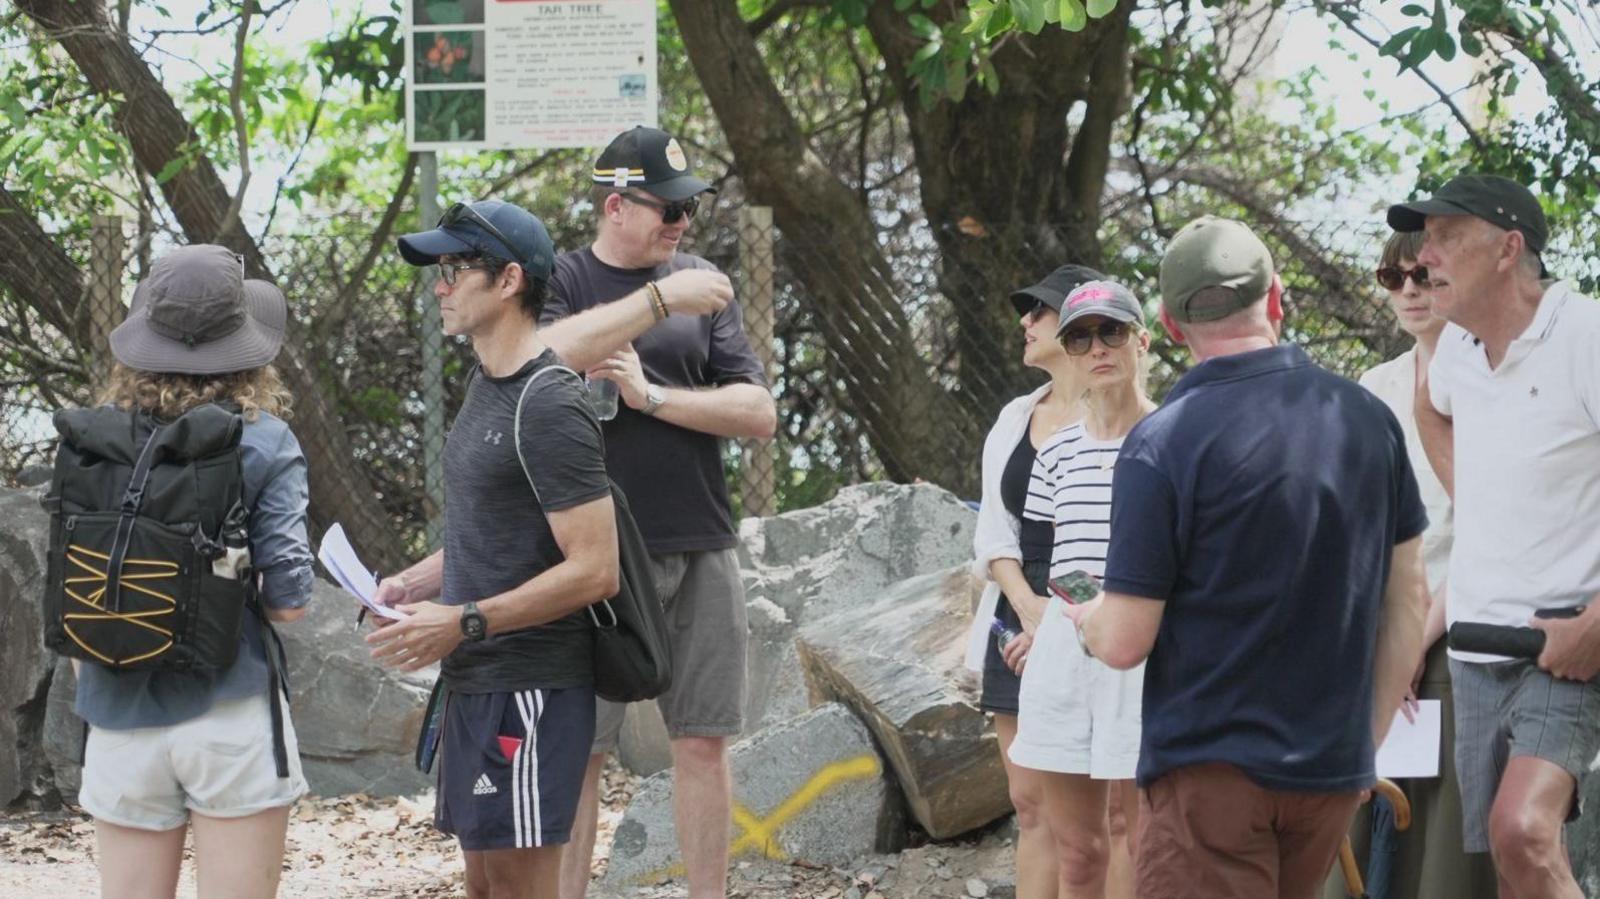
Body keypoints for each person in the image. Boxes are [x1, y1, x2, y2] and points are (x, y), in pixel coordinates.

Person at [1063, 216, 1430, 899]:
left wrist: (1085, 619)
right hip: (1327, 771)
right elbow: (1410, 599)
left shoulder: (1162, 444)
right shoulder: (1367, 419)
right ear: (1276, 297)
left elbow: (1123, 640)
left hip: (1210, 778)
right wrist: (1361, 748)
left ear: (1170, 326)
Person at [531, 125, 777, 899]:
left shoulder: (703, 280)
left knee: (703, 741)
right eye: (666, 209)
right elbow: (537, 362)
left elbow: (758, 411)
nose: (680, 224)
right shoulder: (566, 279)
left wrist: (654, 397)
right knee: (582, 750)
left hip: (701, 540)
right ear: (615, 206)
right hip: (593, 552)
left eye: (688, 209)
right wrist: (655, 301)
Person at [373, 199, 621, 899]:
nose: (440, 285)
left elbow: (596, 569)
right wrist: (417, 582)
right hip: (477, 681)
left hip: (532, 687)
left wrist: (464, 620)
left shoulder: (549, 403)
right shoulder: (488, 383)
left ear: (509, 280)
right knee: (483, 886)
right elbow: (504, 532)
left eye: (455, 268)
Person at [76, 243, 314, 899]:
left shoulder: (95, 438)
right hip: (229, 711)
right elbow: (290, 600)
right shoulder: (265, 440)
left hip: (118, 714)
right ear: (246, 344)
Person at [1389, 173, 1600, 899]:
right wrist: (1482, 501)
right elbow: (1429, 409)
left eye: (1446, 236)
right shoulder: (1455, 352)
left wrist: (1595, 625)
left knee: (1524, 831)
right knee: (1512, 869)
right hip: (1477, 646)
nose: (1426, 256)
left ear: (1509, 248)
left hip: (1562, 644)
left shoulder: (1587, 336)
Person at [1318, 232, 1496, 899]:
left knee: (1445, 852)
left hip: (1468, 625)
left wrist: (1418, 633)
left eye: (1422, 273)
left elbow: (1495, 527)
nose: (1410, 289)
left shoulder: (1496, 380)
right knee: (1352, 833)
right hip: (1380, 624)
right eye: (1392, 277)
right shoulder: (1372, 388)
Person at [1010, 280, 1153, 899]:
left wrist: (1116, 610)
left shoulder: (1173, 435)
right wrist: (1051, 617)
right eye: (1080, 337)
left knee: (1133, 833)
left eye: (1112, 331)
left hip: (1143, 650)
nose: (1098, 348)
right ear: (1067, 352)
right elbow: (1052, 556)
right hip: (1066, 653)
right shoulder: (1057, 451)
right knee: (1078, 845)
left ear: (1142, 341)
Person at [967, 263, 1099, 897]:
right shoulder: (1014, 416)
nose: (1026, 321)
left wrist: (1054, 617)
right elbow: (993, 533)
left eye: (1040, 311)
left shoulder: (1116, 417)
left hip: (1089, 613)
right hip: (1015, 610)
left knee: (1087, 809)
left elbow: (1113, 541)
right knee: (1028, 799)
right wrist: (1025, 607)